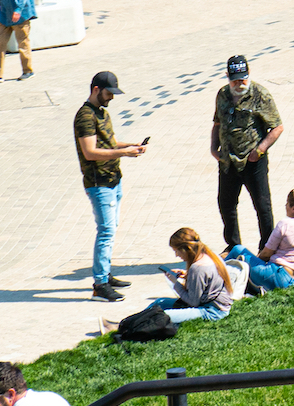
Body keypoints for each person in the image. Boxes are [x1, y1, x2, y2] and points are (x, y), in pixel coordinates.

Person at [75, 71, 143, 301]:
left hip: (114, 179)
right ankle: (100, 284)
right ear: (96, 90)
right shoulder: (85, 116)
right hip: (99, 183)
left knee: (111, 228)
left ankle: (105, 274)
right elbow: (90, 151)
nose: (111, 98)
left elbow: (108, 143)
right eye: (108, 93)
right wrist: (124, 152)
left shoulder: (102, 113)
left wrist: (130, 144)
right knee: (105, 231)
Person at [213, 53, 284, 251]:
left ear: (249, 73)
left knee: (262, 206)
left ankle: (267, 248)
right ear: (228, 76)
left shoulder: (260, 94)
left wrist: (260, 150)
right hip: (227, 161)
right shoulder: (222, 95)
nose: (239, 83)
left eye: (243, 78)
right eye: (235, 80)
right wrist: (213, 148)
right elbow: (217, 122)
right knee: (226, 204)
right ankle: (233, 246)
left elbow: (277, 127)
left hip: (253, 162)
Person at [135, 226, 234, 326]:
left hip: (212, 311)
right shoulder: (212, 256)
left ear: (186, 249)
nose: (176, 255)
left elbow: (193, 302)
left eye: (176, 251)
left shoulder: (197, 268)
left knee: (161, 316)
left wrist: (175, 283)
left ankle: (134, 324)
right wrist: (187, 275)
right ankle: (134, 321)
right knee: (159, 302)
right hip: (219, 307)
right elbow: (208, 279)